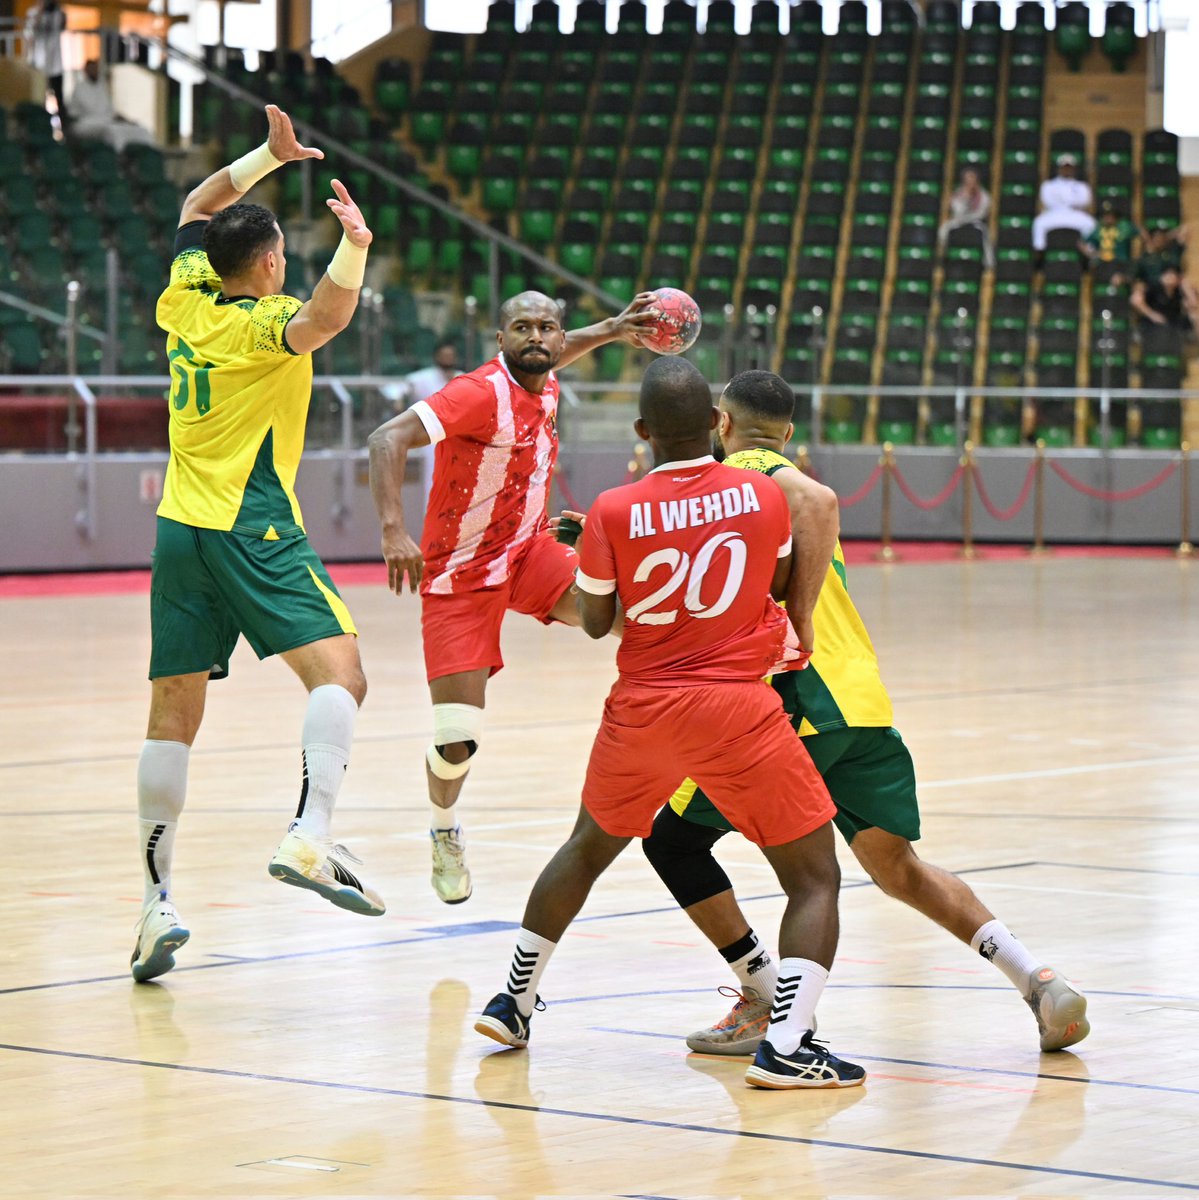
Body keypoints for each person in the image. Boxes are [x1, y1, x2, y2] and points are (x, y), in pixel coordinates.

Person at [640, 370, 1091, 1057]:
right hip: (860, 700)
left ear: (719, 425)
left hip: (794, 701)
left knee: (674, 843)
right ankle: (1035, 979)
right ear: (788, 433)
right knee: (896, 867)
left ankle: (769, 1004)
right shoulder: (781, 481)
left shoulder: (740, 485)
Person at [474, 357, 865, 1090]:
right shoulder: (758, 494)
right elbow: (775, 586)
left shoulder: (615, 510)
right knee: (813, 878)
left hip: (643, 706)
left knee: (587, 847)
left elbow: (596, 624)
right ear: (716, 426)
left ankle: (513, 1000)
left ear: (641, 431)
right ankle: (786, 1044)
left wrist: (594, 554)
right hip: (736, 706)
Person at [131, 105, 381, 985]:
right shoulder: (258, 326)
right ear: (271, 264)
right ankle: (311, 838)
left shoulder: (184, 299)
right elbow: (324, 322)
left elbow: (198, 206)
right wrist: (354, 245)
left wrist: (265, 160)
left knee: (172, 713)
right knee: (341, 674)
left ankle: (155, 903)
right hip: (252, 522)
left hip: (178, 528)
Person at [367, 289, 658, 905]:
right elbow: (386, 439)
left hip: (530, 552)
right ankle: (444, 829)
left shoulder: (547, 377)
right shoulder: (478, 393)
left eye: (547, 328)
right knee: (457, 739)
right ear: (498, 340)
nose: (537, 338)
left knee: (628, 619)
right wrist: (394, 530)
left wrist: (609, 327)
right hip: (459, 577)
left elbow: (562, 350)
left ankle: (685, 733)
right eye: (521, 328)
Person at [380, 338, 462, 509]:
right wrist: (398, 399)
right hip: (430, 437)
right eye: (444, 355)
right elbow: (393, 389)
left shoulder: (463, 378)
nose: (448, 359)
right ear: (436, 356)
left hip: (459, 437)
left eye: (450, 356)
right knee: (432, 481)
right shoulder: (423, 378)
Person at [70, 59, 157, 154]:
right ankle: (118, 162)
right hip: (88, 123)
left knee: (143, 131)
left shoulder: (102, 87)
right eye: (92, 68)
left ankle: (145, 159)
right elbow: (76, 113)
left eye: (96, 68)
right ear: (86, 70)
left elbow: (110, 111)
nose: (94, 71)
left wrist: (124, 120)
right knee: (114, 133)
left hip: (109, 121)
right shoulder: (80, 88)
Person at [1032, 154, 1095, 253]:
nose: (1067, 170)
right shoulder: (1048, 185)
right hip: (1054, 213)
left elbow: (1085, 201)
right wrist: (1071, 201)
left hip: (1074, 214)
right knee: (1039, 222)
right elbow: (1047, 201)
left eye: (1069, 167)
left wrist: (1064, 200)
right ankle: (1039, 251)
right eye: (1064, 167)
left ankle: (1089, 253)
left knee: (1090, 223)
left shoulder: (1081, 186)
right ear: (1059, 168)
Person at [937, 167, 994, 269]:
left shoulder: (984, 195)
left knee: (985, 232)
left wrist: (968, 218)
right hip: (959, 220)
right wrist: (965, 198)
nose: (970, 181)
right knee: (944, 229)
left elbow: (981, 213)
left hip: (975, 222)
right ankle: (944, 256)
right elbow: (956, 210)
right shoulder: (958, 193)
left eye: (972, 178)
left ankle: (988, 263)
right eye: (967, 179)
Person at [24, 0, 67, 128]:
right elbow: (29, 33)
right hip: (40, 65)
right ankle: (40, 128)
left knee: (59, 99)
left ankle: (64, 129)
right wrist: (40, 11)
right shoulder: (32, 13)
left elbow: (62, 26)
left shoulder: (58, 12)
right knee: (39, 99)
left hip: (56, 64)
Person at [1080, 201, 1139, 287]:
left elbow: (1140, 233)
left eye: (1110, 215)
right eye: (1105, 215)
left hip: (1120, 263)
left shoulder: (1124, 225)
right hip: (1102, 263)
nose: (1107, 218)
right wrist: (1092, 254)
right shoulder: (1098, 228)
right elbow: (1082, 242)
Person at [1131, 264, 1197, 337]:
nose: (1169, 277)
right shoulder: (1153, 288)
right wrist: (1152, 315)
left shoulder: (1178, 291)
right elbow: (1135, 300)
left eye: (1172, 275)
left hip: (1172, 325)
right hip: (1152, 325)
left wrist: (1186, 287)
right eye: (1167, 274)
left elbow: (1193, 304)